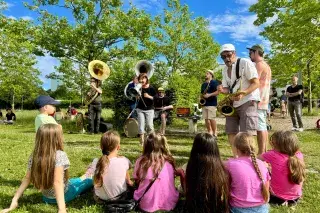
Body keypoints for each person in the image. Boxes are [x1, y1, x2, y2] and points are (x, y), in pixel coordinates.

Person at [1, 124, 93, 213]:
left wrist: (14, 200)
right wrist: (62, 209)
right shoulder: (59, 155)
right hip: (65, 195)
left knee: (75, 180)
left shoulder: (34, 156)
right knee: (88, 182)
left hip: (46, 197)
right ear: (56, 138)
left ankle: (85, 175)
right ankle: (89, 176)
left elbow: (27, 179)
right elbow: (57, 182)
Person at [217, 44, 260, 156]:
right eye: (223, 57)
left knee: (247, 133)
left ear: (234, 53)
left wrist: (243, 93)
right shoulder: (225, 69)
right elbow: (228, 89)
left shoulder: (245, 63)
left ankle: (251, 160)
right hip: (233, 103)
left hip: (248, 100)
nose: (226, 58)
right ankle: (236, 157)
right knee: (231, 131)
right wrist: (222, 89)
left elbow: (256, 83)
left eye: (228, 55)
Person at [182, 133, 229, 212]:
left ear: (195, 147)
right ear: (215, 148)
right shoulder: (221, 166)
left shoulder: (190, 165)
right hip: (217, 206)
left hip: (195, 206)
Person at [133, 133, 179, 212]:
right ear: (163, 145)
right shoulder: (169, 161)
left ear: (146, 146)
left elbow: (136, 179)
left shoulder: (141, 161)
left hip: (145, 203)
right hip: (170, 202)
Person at [82, 131, 133, 202]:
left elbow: (88, 175)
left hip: (100, 198)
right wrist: (129, 181)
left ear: (101, 147)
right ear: (118, 147)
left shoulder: (96, 161)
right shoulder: (124, 160)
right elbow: (128, 173)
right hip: (121, 197)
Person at [226, 132, 270, 213]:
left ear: (236, 148)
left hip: (238, 208)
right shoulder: (262, 164)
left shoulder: (230, 164)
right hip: (262, 209)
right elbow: (266, 187)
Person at [260, 131, 305, 206]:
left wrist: (265, 166)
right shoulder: (299, 155)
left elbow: (256, 160)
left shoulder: (272, 154)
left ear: (277, 145)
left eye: (273, 142)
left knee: (262, 171)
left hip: (276, 197)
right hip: (295, 197)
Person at [248, 44, 271, 155]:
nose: (249, 55)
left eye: (250, 53)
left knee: (260, 127)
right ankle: (264, 151)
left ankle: (261, 154)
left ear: (256, 52)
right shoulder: (266, 65)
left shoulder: (259, 65)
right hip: (263, 100)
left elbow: (253, 82)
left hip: (259, 100)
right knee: (263, 126)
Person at [136, 73, 156, 145]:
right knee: (141, 125)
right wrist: (137, 96)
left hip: (150, 109)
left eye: (143, 78)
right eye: (140, 79)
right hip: (140, 109)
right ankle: (142, 141)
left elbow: (156, 99)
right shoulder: (138, 88)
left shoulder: (151, 88)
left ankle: (151, 140)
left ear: (147, 79)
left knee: (149, 125)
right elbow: (136, 98)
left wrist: (148, 96)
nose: (142, 80)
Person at [200, 70, 220, 136]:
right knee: (206, 119)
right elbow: (202, 93)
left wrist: (209, 95)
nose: (205, 75)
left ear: (211, 75)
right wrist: (202, 96)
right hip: (205, 103)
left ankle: (215, 132)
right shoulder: (203, 84)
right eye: (205, 73)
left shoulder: (214, 82)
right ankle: (209, 132)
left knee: (211, 118)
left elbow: (218, 92)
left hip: (212, 103)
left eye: (207, 73)